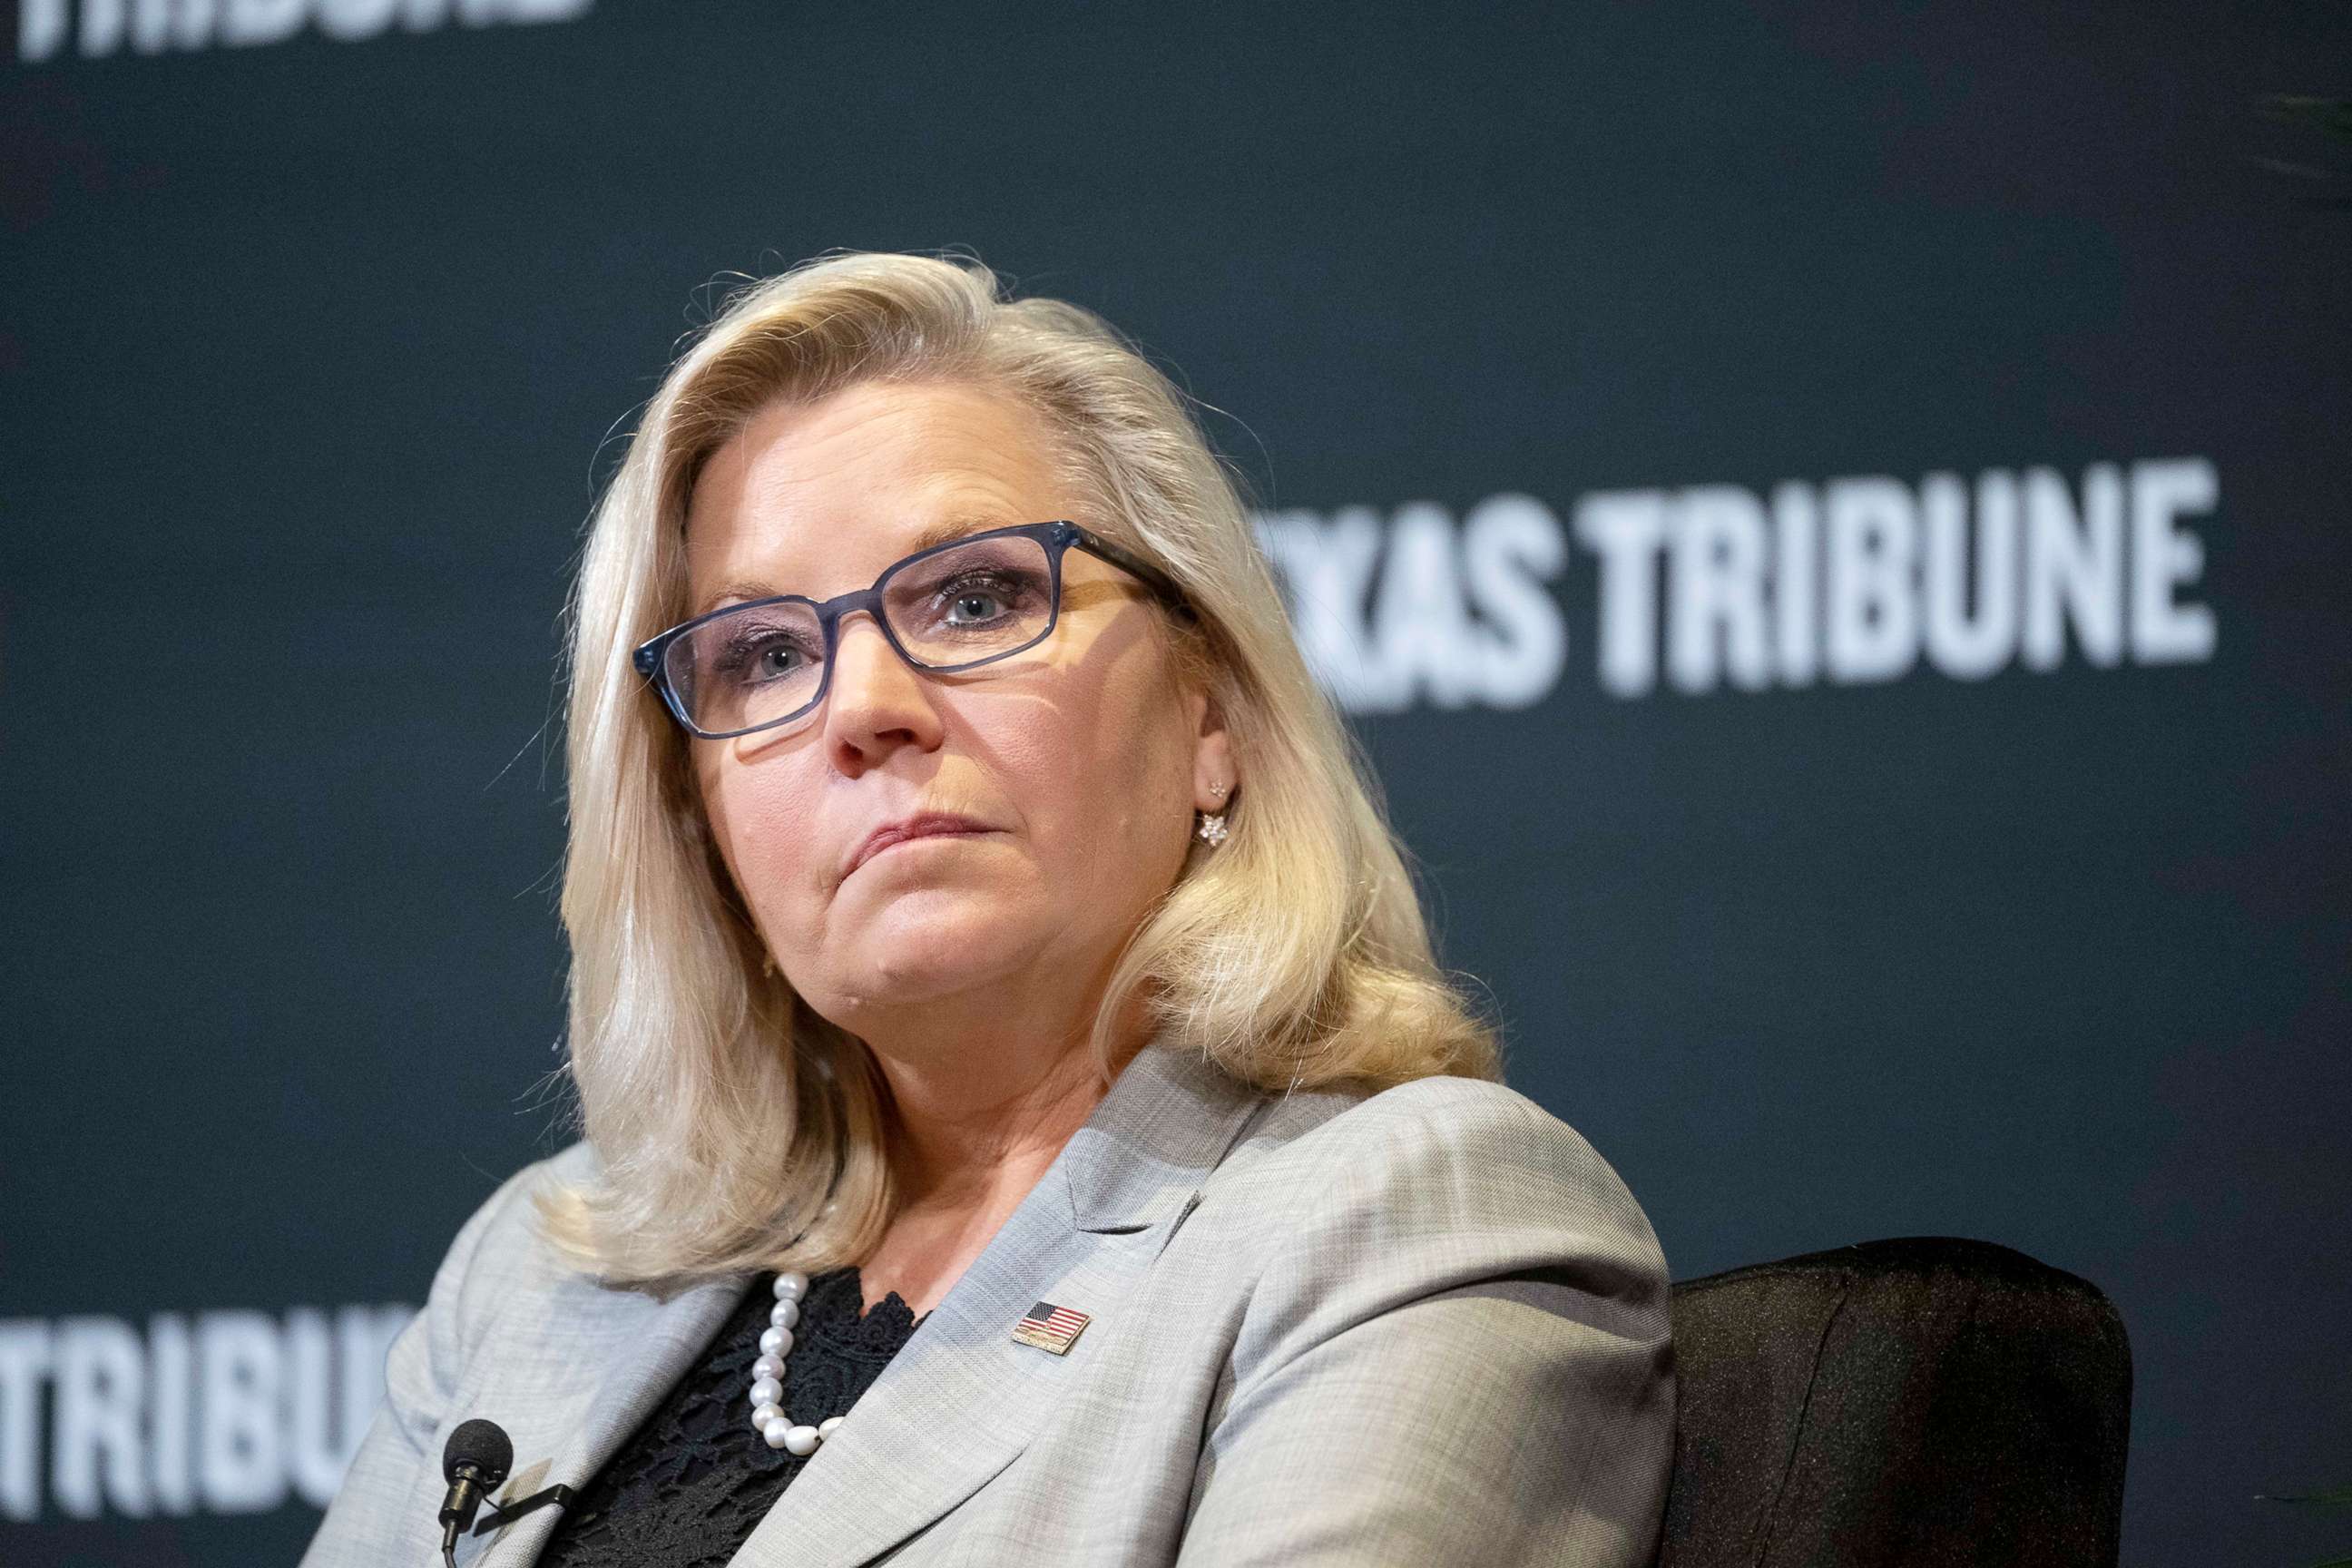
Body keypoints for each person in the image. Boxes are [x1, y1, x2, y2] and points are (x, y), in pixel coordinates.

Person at [299, 250, 1674, 1568]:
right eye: (764, 655)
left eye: (974, 598)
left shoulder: (1409, 1219)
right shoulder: (543, 1273)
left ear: (1209, 710)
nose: (867, 710)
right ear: (698, 821)